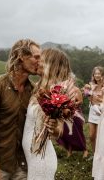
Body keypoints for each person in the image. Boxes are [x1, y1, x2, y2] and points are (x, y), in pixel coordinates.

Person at [0, 39, 41, 180]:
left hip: (23, 165)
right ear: (21, 56)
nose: (39, 61)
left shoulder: (33, 91)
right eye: (36, 57)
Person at [22, 48, 74, 180]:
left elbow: (58, 131)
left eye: (42, 60)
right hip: (32, 155)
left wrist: (53, 127)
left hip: (41, 158)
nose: (37, 62)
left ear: (51, 65)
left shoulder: (58, 93)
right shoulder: (39, 87)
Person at [57, 82, 88, 158]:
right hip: (66, 113)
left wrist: (73, 104)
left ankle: (84, 149)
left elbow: (81, 101)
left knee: (77, 131)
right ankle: (69, 150)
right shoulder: (63, 90)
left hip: (76, 112)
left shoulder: (76, 90)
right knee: (67, 132)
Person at [87, 66, 104, 154]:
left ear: (102, 74)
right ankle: (95, 154)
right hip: (92, 110)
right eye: (95, 74)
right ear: (93, 75)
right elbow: (87, 96)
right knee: (91, 136)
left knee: (98, 136)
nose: (97, 75)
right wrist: (91, 90)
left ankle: (99, 154)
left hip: (101, 111)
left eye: (99, 73)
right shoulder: (91, 84)